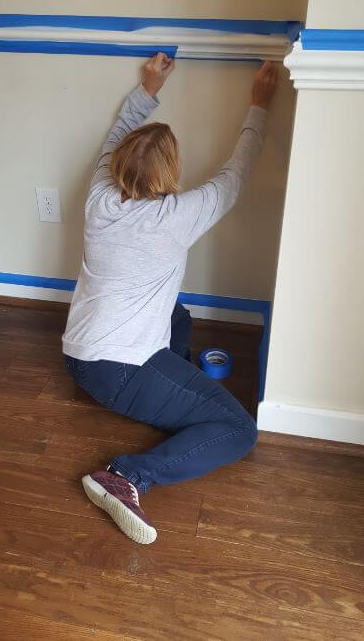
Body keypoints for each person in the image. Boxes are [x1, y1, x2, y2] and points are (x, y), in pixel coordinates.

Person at [63, 53, 278, 544]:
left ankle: (173, 397)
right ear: (172, 172)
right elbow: (236, 173)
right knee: (240, 430)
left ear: (117, 165)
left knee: (178, 314)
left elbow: (118, 132)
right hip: (118, 370)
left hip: (78, 355)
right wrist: (259, 105)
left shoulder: (99, 195)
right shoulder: (179, 214)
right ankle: (127, 476)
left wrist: (149, 89)